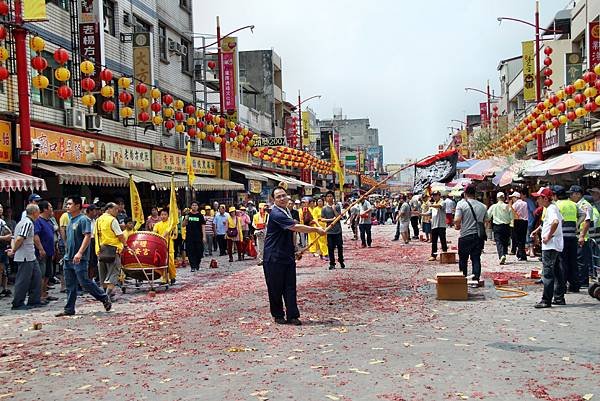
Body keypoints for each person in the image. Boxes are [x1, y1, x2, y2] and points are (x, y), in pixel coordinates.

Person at [263, 187, 327, 325]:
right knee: (275, 287)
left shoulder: (287, 212)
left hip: (286, 255)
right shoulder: (275, 213)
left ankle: (293, 315)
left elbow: (292, 233)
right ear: (274, 200)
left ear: (288, 197)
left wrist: (295, 249)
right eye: (278, 196)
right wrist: (316, 229)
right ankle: (278, 315)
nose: (282, 198)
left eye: (283, 195)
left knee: (290, 286)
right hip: (274, 256)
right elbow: (295, 228)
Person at [56, 196, 111, 316]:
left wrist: (80, 252)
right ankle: (69, 309)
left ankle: (103, 297)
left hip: (79, 258)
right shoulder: (70, 220)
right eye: (67, 204)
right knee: (70, 285)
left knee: (84, 281)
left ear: (77, 206)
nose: (67, 206)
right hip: (68, 258)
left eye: (70, 204)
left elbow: (87, 236)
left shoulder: (83, 220)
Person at [530, 187, 565, 308]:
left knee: (548, 273)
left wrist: (549, 236)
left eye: (539, 198)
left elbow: (555, 222)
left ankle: (546, 300)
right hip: (554, 244)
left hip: (550, 245)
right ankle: (559, 297)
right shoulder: (551, 208)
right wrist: (539, 231)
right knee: (556, 270)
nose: (537, 201)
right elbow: (558, 221)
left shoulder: (551, 209)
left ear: (545, 198)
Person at [7, 204, 42, 310]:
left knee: (37, 276)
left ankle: (34, 300)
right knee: (23, 280)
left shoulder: (22, 222)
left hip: (30, 255)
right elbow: (19, 239)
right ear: (35, 212)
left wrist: (13, 249)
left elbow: (14, 238)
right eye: (38, 212)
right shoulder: (27, 223)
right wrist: (13, 250)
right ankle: (18, 303)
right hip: (25, 256)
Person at [554, 185, 588, 293]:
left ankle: (562, 286)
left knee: (562, 262)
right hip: (573, 237)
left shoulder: (556, 205)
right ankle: (574, 286)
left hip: (561, 238)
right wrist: (577, 225)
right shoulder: (573, 204)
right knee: (573, 261)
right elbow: (583, 214)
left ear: (555, 195)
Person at [454, 185, 488, 282]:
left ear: (465, 194)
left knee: (463, 259)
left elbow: (457, 220)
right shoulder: (483, 206)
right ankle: (475, 279)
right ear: (475, 194)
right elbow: (487, 220)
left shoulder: (461, 204)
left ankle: (463, 278)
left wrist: (457, 226)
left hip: (465, 236)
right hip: (478, 237)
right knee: (476, 258)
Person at [94, 202, 128, 301]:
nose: (117, 211)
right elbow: (120, 235)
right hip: (112, 251)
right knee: (114, 273)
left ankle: (105, 294)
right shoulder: (112, 220)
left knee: (103, 274)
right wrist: (125, 244)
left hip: (100, 251)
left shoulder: (98, 220)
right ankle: (107, 296)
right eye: (115, 209)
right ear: (108, 209)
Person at [567, 185, 593, 290]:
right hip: (577, 236)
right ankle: (579, 280)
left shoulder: (584, 205)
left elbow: (587, 222)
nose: (570, 196)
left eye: (572, 193)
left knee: (582, 261)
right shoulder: (576, 204)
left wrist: (582, 236)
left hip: (583, 237)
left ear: (578, 194)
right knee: (577, 260)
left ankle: (583, 281)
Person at [33, 200, 59, 304]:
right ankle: (39, 296)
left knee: (48, 274)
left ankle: (44, 293)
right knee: (42, 274)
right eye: (50, 207)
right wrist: (40, 249)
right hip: (42, 252)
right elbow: (36, 236)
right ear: (45, 209)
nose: (52, 210)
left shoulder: (49, 221)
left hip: (50, 251)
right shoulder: (38, 221)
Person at [486, 192, 512, 265]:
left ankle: (501, 255)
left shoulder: (493, 206)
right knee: (505, 241)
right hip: (506, 226)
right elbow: (511, 217)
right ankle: (504, 253)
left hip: (497, 226)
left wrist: (487, 223)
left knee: (498, 241)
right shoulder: (508, 206)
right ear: (503, 198)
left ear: (497, 198)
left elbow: (488, 216)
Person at [321, 191, 345, 270]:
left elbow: (339, 217)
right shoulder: (324, 208)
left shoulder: (337, 206)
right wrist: (331, 219)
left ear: (333, 197)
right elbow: (322, 219)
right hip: (329, 231)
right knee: (330, 248)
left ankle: (341, 260)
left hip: (338, 230)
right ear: (326, 198)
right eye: (328, 196)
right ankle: (332, 263)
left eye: (331, 196)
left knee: (340, 247)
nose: (329, 198)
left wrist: (334, 209)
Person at [153, 208, 177, 285]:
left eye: (165, 214)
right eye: (162, 215)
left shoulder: (171, 224)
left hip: (169, 246)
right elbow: (154, 234)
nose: (163, 216)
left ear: (168, 215)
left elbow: (175, 235)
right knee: (162, 263)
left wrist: (172, 233)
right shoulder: (157, 224)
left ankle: (172, 277)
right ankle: (164, 279)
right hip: (160, 247)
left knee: (170, 263)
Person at [182, 201, 206, 271]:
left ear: (198, 207)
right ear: (191, 206)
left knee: (199, 251)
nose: (194, 206)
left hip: (198, 236)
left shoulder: (200, 216)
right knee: (190, 251)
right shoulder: (188, 215)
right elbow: (183, 225)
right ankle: (193, 266)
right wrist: (186, 219)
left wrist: (204, 236)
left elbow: (203, 226)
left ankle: (197, 263)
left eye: (196, 205)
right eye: (193, 205)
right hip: (189, 236)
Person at [427, 191, 447, 261]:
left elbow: (439, 206)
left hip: (441, 225)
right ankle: (433, 255)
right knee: (434, 241)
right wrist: (419, 214)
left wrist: (431, 205)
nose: (434, 197)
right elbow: (429, 213)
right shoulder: (433, 204)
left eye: (436, 195)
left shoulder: (442, 202)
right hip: (434, 225)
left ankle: (445, 253)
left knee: (443, 240)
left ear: (439, 195)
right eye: (433, 195)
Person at [509, 192, 529, 261]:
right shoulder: (525, 203)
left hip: (517, 221)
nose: (512, 199)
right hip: (525, 222)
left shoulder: (515, 204)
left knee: (517, 238)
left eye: (513, 197)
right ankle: (521, 254)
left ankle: (521, 254)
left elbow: (511, 211)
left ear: (516, 197)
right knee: (523, 238)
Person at [0, 203, 13, 297]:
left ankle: (4, 288)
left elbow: (9, 233)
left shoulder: (2, 221)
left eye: (1, 207)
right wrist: (5, 237)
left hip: (3, 247)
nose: (0, 209)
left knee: (4, 269)